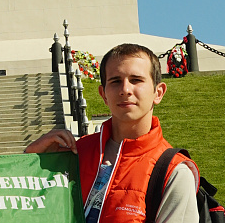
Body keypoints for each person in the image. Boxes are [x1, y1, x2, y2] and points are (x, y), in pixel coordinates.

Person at [24, 43, 199, 223]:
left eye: (136, 80)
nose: (125, 90)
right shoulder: (74, 154)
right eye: (115, 81)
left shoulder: (175, 171)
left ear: (158, 92)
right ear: (103, 94)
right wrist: (30, 162)